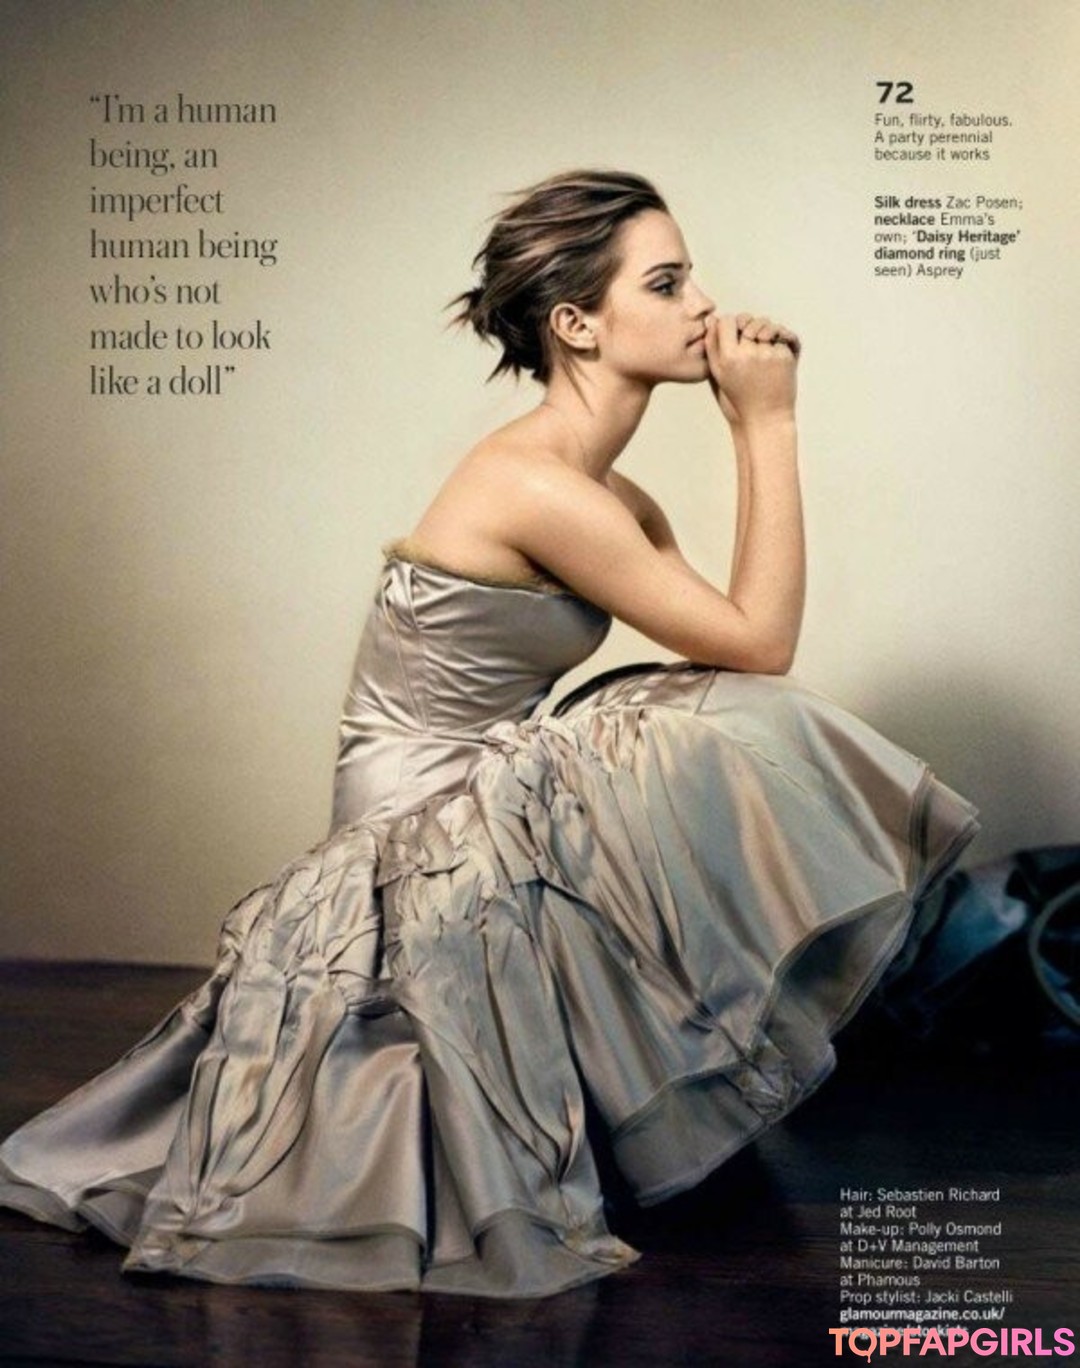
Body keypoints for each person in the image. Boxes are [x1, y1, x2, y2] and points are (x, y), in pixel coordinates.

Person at [0, 170, 978, 1298]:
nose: (706, 305)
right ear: (576, 324)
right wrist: (770, 423)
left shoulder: (612, 497)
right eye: (667, 284)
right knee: (687, 726)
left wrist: (755, 431)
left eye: (692, 278)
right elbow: (767, 643)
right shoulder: (535, 487)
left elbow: (740, 653)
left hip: (484, 797)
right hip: (410, 839)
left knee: (696, 712)